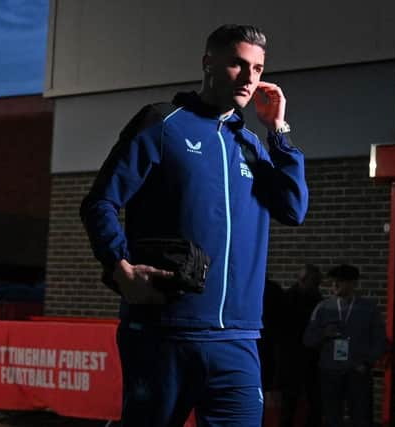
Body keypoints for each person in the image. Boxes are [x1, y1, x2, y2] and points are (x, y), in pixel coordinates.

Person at [80, 24, 308, 427]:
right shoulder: (162, 123)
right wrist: (120, 267)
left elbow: (293, 208)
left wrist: (277, 130)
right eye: (238, 64)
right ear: (208, 63)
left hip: (238, 339)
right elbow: (99, 202)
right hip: (164, 333)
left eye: (257, 68)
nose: (249, 77)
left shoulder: (251, 144)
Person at [303, 264, 385, 427]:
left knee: (360, 416)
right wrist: (324, 333)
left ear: (352, 283)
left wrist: (367, 363)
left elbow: (380, 340)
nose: (334, 285)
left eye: (339, 282)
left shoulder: (368, 309)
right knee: (332, 416)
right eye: (333, 282)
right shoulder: (323, 308)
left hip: (357, 371)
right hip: (330, 371)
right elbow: (308, 339)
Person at [279, 264, 324, 427]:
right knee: (302, 398)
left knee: (294, 399)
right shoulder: (316, 301)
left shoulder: (289, 298)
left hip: (299, 356)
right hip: (301, 356)